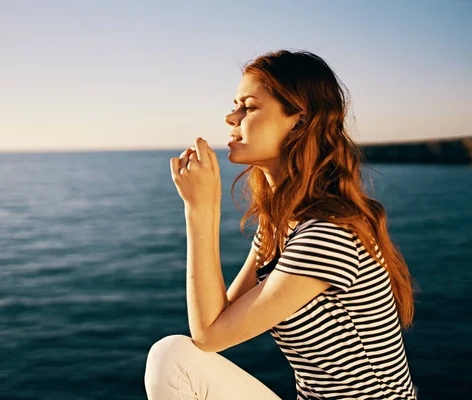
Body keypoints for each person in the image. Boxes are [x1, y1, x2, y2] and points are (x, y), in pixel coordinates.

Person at [143, 49, 417, 400]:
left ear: (299, 121)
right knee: (174, 355)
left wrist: (201, 210)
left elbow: (210, 335)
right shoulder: (280, 224)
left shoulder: (327, 233)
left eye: (249, 107)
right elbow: (215, 321)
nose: (231, 117)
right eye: (235, 105)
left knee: (173, 358)